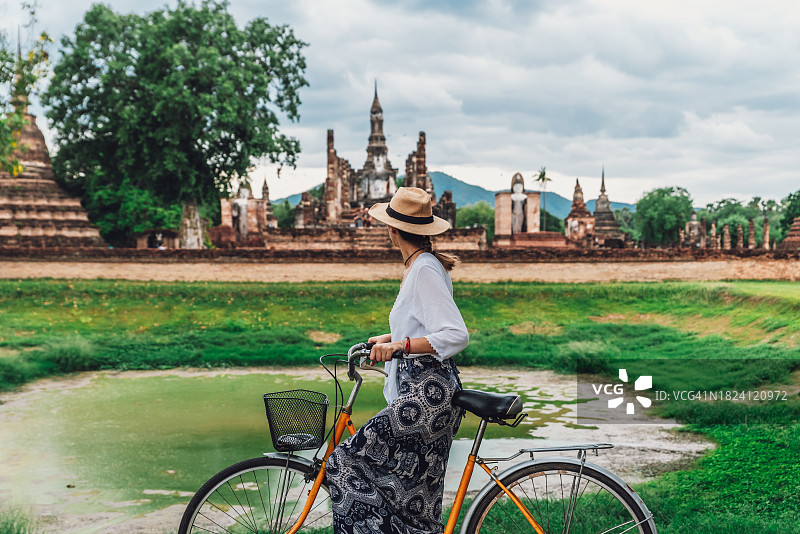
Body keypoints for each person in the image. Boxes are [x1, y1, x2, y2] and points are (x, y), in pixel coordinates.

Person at [327, 187, 469, 534]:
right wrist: (388, 339)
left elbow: (454, 334)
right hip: (427, 394)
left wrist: (400, 345)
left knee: (343, 462)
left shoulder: (423, 270)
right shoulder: (422, 266)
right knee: (411, 500)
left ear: (392, 230)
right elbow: (422, 326)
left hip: (426, 397)